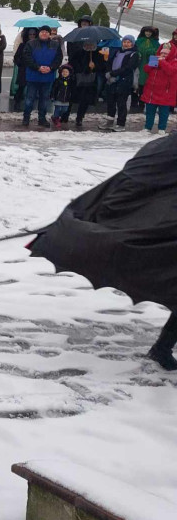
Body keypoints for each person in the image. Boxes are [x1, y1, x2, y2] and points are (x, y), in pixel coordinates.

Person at [29, 132, 177, 371]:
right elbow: (131, 185)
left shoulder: (161, 145)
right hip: (151, 227)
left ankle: (163, 347)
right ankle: (162, 348)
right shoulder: (165, 149)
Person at [21, 25, 63, 128]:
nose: (44, 33)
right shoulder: (31, 44)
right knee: (29, 99)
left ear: (50, 34)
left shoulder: (55, 45)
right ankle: (26, 118)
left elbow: (58, 58)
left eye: (46, 32)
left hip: (48, 77)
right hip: (33, 76)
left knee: (44, 100)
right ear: (39, 33)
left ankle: (42, 119)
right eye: (42, 31)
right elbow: (26, 58)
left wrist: (51, 67)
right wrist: (38, 67)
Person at [100, 35, 140, 132]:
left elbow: (128, 68)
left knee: (121, 103)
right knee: (111, 102)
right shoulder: (117, 51)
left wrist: (113, 73)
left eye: (128, 42)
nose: (126, 44)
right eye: (124, 42)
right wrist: (109, 72)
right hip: (112, 81)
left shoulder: (134, 54)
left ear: (132, 43)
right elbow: (110, 63)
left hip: (124, 81)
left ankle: (121, 123)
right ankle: (109, 122)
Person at [140, 39, 177, 135]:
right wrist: (151, 64)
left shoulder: (174, 62)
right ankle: (147, 127)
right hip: (151, 91)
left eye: (166, 53)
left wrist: (162, 62)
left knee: (163, 113)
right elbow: (146, 69)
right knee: (150, 111)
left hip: (165, 93)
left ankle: (161, 128)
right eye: (162, 53)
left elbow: (171, 71)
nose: (163, 55)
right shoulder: (155, 59)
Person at [134, 26, 160, 111]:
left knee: (145, 86)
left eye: (150, 32)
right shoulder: (138, 41)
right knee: (135, 83)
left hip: (149, 67)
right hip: (138, 65)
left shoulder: (155, 43)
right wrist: (138, 54)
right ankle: (133, 103)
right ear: (143, 32)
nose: (148, 33)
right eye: (146, 31)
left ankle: (142, 103)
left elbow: (157, 54)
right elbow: (134, 50)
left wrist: (152, 52)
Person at [49, 63, 74, 129]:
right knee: (57, 109)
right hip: (58, 98)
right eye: (63, 72)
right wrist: (52, 96)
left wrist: (71, 97)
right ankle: (56, 119)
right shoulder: (58, 80)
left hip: (66, 99)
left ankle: (55, 117)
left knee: (64, 110)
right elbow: (54, 89)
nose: (65, 73)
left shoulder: (70, 81)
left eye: (66, 72)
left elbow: (72, 90)